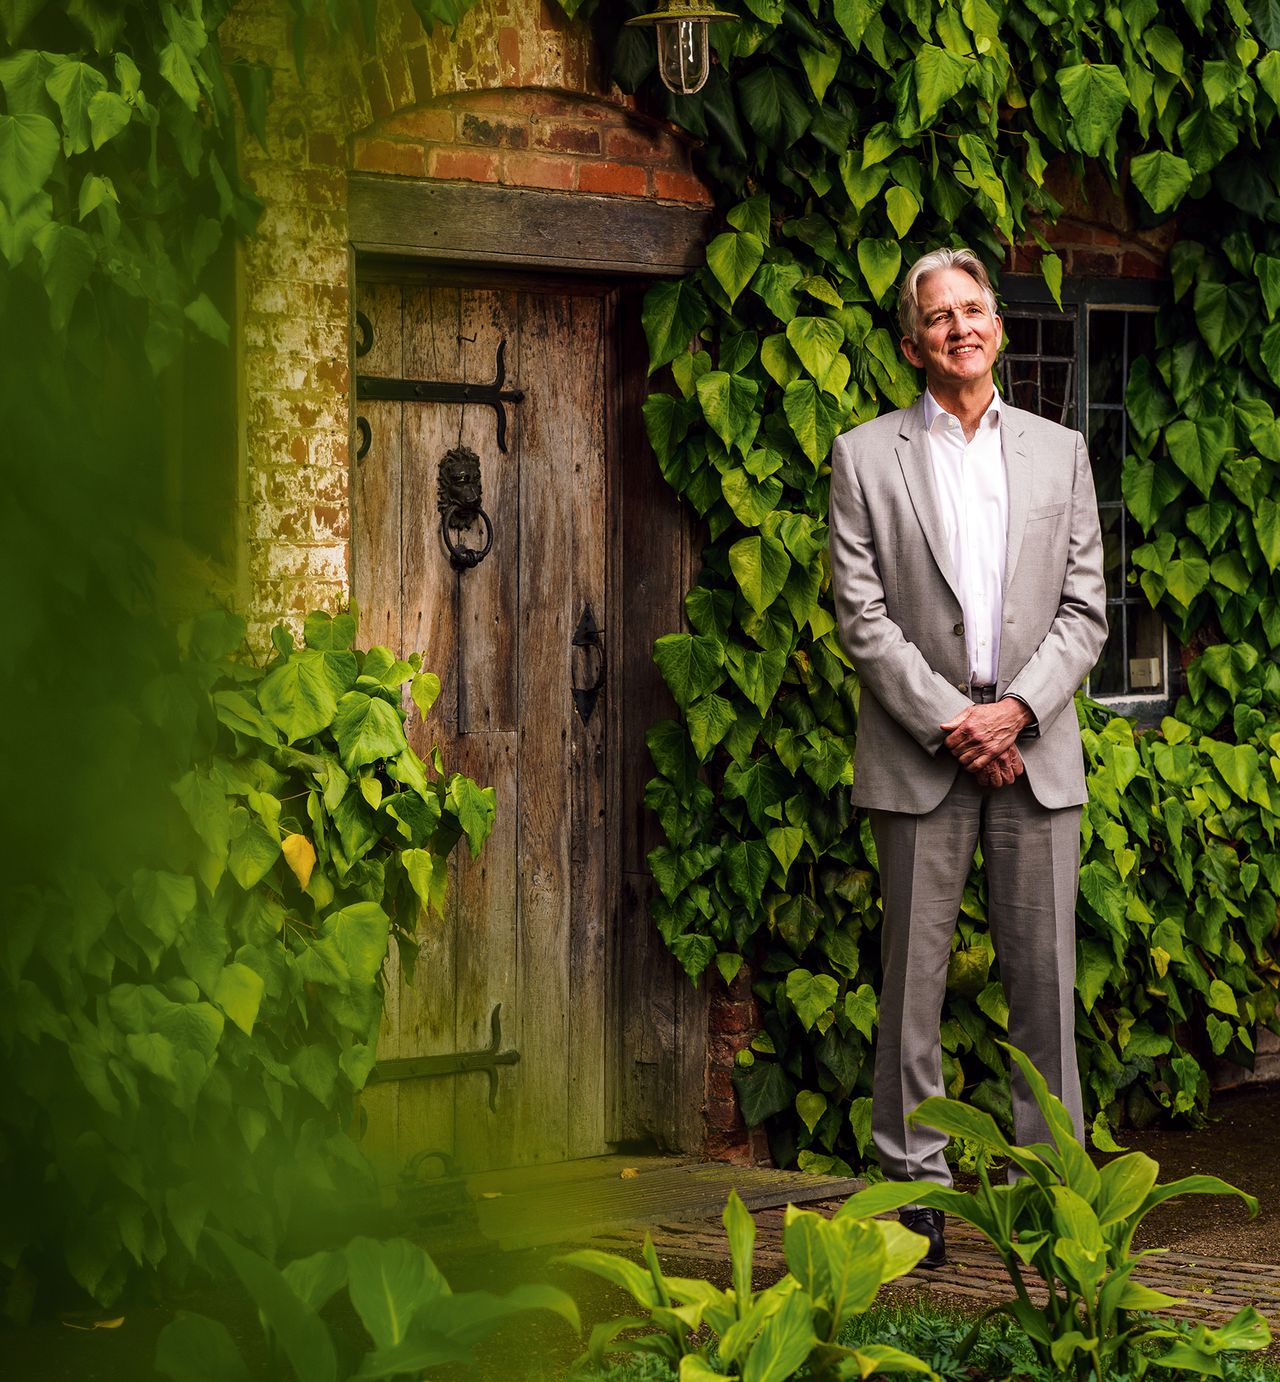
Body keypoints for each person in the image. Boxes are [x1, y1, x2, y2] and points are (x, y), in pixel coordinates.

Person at [827, 247, 1107, 1267]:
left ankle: (1052, 1193)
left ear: (995, 323)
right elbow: (860, 617)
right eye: (937, 315)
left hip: (1035, 753)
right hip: (921, 754)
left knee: (1044, 982)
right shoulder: (864, 456)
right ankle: (913, 1188)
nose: (959, 325)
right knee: (913, 984)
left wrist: (1016, 712)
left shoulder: (1058, 451)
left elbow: (1084, 610)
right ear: (912, 342)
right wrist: (955, 720)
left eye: (973, 307)